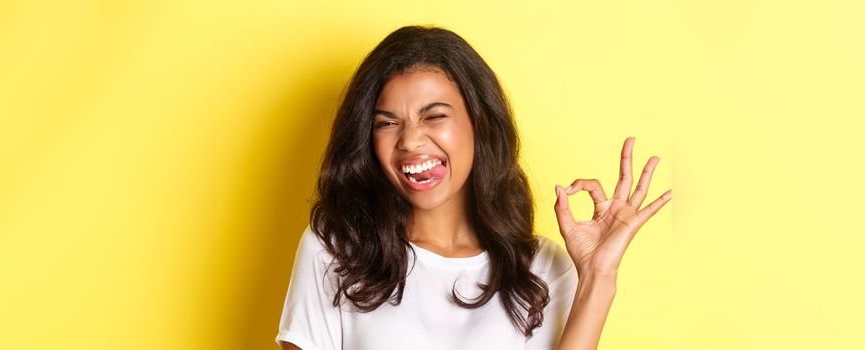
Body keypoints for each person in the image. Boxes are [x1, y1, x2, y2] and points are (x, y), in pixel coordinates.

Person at [276, 25, 671, 350]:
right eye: (387, 122)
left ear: (478, 124)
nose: (410, 141)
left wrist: (599, 276)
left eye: (433, 116)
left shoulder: (544, 269)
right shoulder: (335, 251)